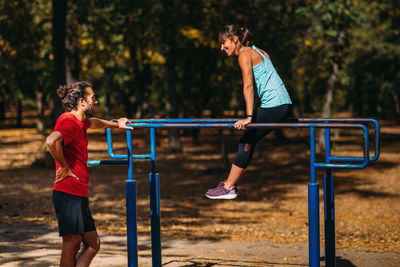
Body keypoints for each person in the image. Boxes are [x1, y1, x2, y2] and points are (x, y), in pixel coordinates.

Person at [46, 81, 132, 267]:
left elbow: (93, 122)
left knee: (93, 243)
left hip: (79, 193)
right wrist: (64, 166)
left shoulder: (81, 121)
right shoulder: (68, 121)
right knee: (72, 243)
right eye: (93, 98)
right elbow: (52, 141)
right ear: (82, 102)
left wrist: (116, 124)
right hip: (67, 192)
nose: (96, 101)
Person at [206, 25, 292, 200]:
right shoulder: (258, 51)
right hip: (282, 104)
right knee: (248, 140)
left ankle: (229, 186)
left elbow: (248, 86)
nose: (221, 48)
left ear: (235, 39)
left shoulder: (245, 54)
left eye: (224, 43)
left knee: (247, 139)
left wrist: (249, 117)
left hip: (274, 105)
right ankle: (229, 185)